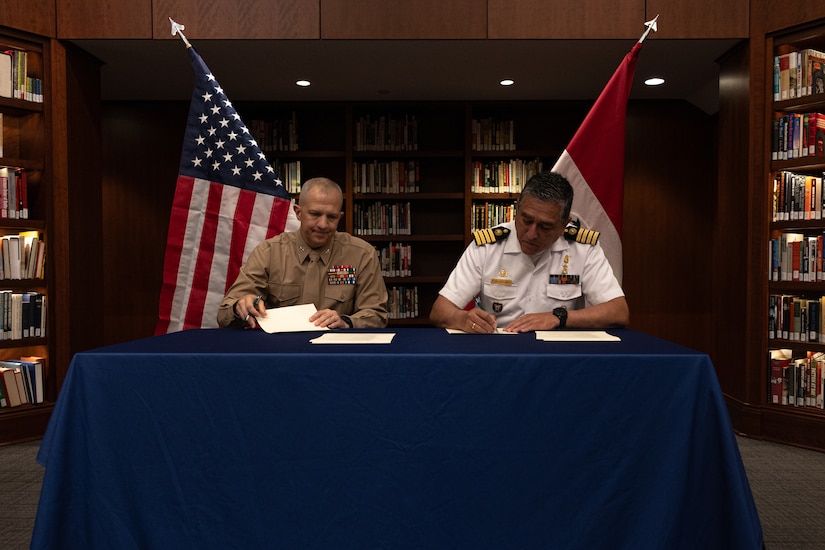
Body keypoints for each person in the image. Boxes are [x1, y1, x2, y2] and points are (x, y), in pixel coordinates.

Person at [429, 170, 629, 333]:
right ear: (517, 210)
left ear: (563, 226)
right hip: (500, 351)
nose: (531, 234)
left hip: (558, 356)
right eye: (526, 220)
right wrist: (463, 319)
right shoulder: (487, 246)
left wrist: (557, 317)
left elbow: (618, 312)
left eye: (545, 227)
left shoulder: (584, 249)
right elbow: (439, 311)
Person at [217, 177, 389, 329]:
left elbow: (376, 314)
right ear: (298, 212)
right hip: (281, 352)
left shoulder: (362, 254)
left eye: (331, 217)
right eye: (315, 214)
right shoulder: (269, 252)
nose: (323, 224)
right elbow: (224, 315)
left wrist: (346, 322)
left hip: (337, 352)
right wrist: (239, 306)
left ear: (340, 217)